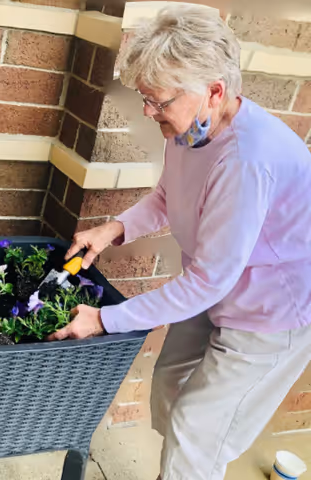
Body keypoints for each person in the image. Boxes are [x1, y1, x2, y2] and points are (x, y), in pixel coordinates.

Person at [48, 5, 311, 480]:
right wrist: (113, 229)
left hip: (269, 314)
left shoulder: (248, 161)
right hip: (218, 287)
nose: (149, 113)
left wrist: (106, 319)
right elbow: (169, 196)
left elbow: (209, 279)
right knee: (170, 383)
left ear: (214, 90)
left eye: (159, 101)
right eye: (145, 98)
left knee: (198, 427)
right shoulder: (189, 129)